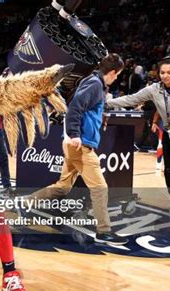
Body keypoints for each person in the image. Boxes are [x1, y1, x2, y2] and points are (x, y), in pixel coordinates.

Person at [31, 53, 129, 246]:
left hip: (73, 143)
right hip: (81, 145)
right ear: (112, 72)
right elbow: (75, 108)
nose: (116, 78)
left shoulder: (95, 84)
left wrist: (100, 117)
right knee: (100, 189)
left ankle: (24, 203)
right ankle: (104, 231)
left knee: (63, 186)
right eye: (117, 75)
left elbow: (87, 110)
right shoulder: (93, 84)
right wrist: (75, 134)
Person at [108, 54, 170, 211]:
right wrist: (106, 103)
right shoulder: (154, 89)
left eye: (169, 72)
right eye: (162, 72)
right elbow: (131, 99)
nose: (165, 76)